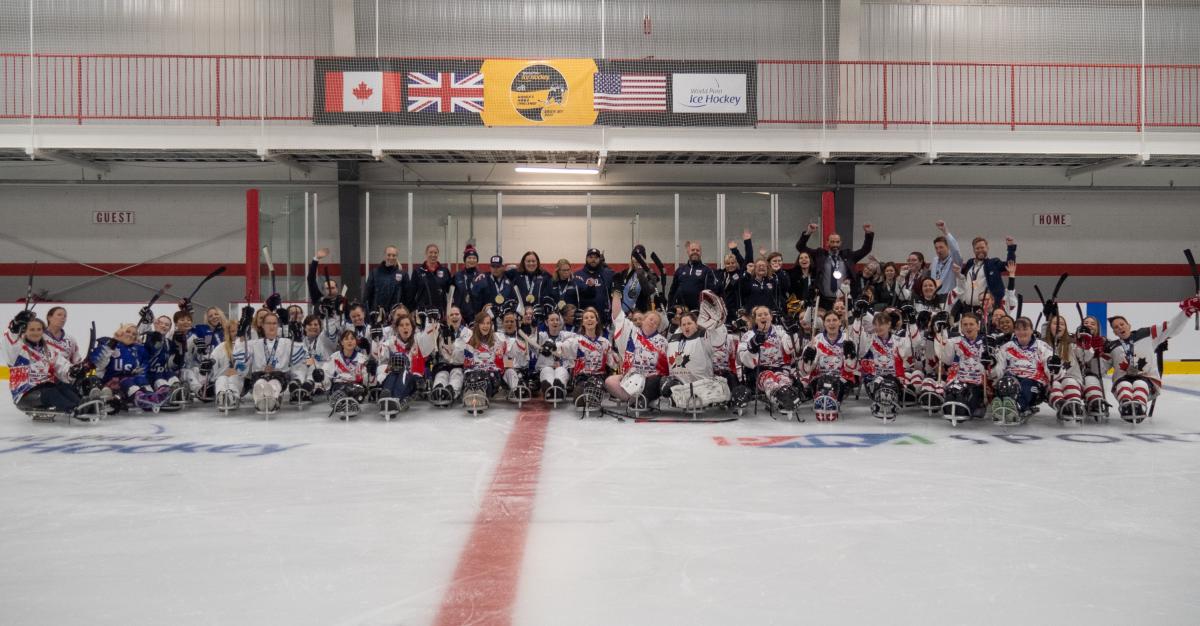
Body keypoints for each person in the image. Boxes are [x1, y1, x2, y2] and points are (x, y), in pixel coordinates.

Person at [1106, 292, 1200, 421]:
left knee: (1139, 383)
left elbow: (1171, 327)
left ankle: (1138, 407)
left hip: (1147, 380)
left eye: (1122, 324)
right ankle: (1127, 406)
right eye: (1116, 327)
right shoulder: (1112, 347)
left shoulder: (1147, 334)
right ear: (1114, 332)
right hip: (1122, 381)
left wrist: (1187, 311)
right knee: (1124, 385)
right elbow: (1099, 367)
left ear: (1129, 325)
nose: (1120, 327)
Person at [5, 316, 87, 419]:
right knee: (51, 393)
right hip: (24, 395)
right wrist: (14, 328)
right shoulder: (18, 349)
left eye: (39, 329)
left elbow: (61, 365)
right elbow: (9, 342)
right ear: (24, 331)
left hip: (44, 388)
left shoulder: (48, 350)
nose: (36, 332)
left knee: (63, 386)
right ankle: (75, 410)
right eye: (32, 329)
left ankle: (83, 405)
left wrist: (71, 371)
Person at [607, 291, 669, 408]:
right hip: (630, 377)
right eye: (650, 319)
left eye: (656, 322)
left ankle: (646, 398)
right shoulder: (632, 332)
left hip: (650, 380)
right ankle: (634, 400)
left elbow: (665, 367)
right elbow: (617, 317)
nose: (652, 322)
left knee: (655, 381)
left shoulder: (662, 341)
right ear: (643, 320)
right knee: (610, 382)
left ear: (658, 327)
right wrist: (615, 294)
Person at [796, 221, 875, 310]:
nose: (835, 245)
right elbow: (800, 247)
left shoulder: (848, 256)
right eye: (832, 242)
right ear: (827, 242)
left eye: (837, 242)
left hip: (843, 301)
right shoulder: (819, 255)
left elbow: (866, 249)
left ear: (840, 243)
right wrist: (808, 232)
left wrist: (868, 234)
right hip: (823, 300)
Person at [798, 310, 858, 421]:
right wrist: (808, 359)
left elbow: (851, 367)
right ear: (824, 324)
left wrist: (850, 356)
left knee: (838, 383)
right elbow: (806, 370)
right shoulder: (816, 340)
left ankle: (834, 401)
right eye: (828, 321)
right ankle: (821, 399)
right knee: (820, 383)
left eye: (835, 320)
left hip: (842, 377)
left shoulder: (847, 339)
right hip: (819, 377)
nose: (831, 323)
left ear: (840, 322)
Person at [990, 317, 1053, 421]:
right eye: (1018, 329)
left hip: (1034, 381)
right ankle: (1001, 406)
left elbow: (1049, 367)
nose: (1022, 332)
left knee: (1026, 384)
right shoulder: (1006, 347)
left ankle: (1017, 407)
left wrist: (1052, 367)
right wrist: (992, 365)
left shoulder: (1042, 347)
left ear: (1031, 330)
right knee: (1006, 381)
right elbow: (998, 369)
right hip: (1012, 378)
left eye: (1025, 329)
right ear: (1014, 331)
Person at [738, 305, 798, 413]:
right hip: (759, 371)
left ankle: (786, 397)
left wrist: (791, 333)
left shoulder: (780, 331)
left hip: (780, 369)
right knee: (769, 379)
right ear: (755, 319)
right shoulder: (748, 335)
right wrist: (753, 346)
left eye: (766, 314)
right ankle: (780, 399)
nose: (763, 317)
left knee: (783, 380)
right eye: (759, 315)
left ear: (771, 317)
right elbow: (744, 359)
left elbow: (789, 349)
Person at [244, 312, 307, 414]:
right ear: (263, 325)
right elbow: (242, 360)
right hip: (259, 375)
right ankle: (260, 401)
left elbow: (298, 360)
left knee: (274, 384)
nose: (271, 326)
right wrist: (241, 334)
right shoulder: (254, 344)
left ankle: (272, 400)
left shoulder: (287, 342)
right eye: (268, 323)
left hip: (280, 376)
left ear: (278, 325)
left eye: (274, 323)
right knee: (259, 384)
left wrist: (298, 339)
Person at [855, 309, 910, 421]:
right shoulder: (869, 340)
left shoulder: (898, 340)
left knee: (891, 386)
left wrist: (912, 324)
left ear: (889, 324)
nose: (878, 327)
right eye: (876, 324)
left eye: (882, 324)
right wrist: (857, 320)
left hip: (894, 378)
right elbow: (859, 346)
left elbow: (909, 349)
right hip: (873, 378)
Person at [933, 312, 989, 421]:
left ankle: (977, 406)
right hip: (958, 381)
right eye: (965, 324)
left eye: (971, 324)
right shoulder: (956, 341)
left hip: (977, 383)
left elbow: (993, 368)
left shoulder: (986, 342)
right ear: (961, 327)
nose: (968, 327)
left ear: (978, 326)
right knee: (950, 401)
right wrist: (941, 332)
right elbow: (946, 357)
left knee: (965, 405)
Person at [959, 236, 1017, 310]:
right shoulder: (970, 263)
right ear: (973, 250)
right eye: (977, 248)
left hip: (987, 308)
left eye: (982, 247)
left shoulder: (993, 263)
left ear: (987, 248)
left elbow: (1010, 264)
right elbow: (961, 278)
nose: (980, 250)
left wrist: (1011, 248)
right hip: (968, 308)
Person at [669, 240, 717, 313]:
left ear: (700, 253)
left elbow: (711, 293)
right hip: (681, 311)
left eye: (697, 250)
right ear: (688, 252)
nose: (695, 252)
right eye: (692, 250)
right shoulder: (680, 270)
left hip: (699, 312)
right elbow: (672, 291)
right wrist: (670, 308)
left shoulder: (707, 270)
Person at [364, 245, 409, 318]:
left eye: (394, 255)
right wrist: (367, 312)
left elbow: (408, 297)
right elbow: (367, 294)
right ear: (384, 256)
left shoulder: (403, 274)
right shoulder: (375, 273)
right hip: (377, 314)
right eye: (389, 255)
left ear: (397, 257)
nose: (391, 257)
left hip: (396, 315)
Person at [411, 243, 453, 316]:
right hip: (423, 311)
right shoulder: (418, 271)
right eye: (430, 252)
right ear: (426, 253)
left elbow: (450, 290)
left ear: (438, 254)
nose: (433, 255)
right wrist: (412, 309)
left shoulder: (445, 270)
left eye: (435, 253)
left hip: (440, 310)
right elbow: (411, 293)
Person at [509, 251, 553, 316]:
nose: (531, 263)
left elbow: (548, 294)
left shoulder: (545, 275)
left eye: (533, 261)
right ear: (523, 262)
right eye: (528, 261)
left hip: (539, 314)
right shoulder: (515, 274)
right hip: (520, 314)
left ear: (537, 262)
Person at [575, 248, 614, 320]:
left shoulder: (608, 274)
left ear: (600, 259)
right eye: (591, 257)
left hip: (604, 317)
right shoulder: (578, 275)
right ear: (586, 258)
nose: (593, 259)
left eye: (596, 257)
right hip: (585, 317)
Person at [928, 221, 964, 298]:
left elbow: (955, 250)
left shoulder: (955, 261)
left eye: (941, 247)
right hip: (934, 297)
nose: (938, 250)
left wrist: (945, 231)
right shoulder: (934, 261)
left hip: (949, 298)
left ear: (948, 247)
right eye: (936, 248)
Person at [452, 245, 481, 321]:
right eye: (469, 258)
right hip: (460, 316)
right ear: (465, 260)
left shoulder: (481, 276)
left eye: (474, 258)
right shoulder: (457, 276)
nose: (472, 260)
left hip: (477, 316)